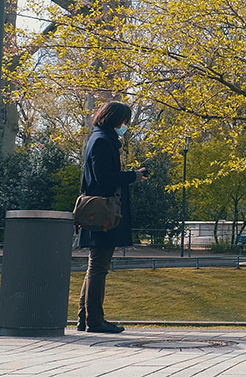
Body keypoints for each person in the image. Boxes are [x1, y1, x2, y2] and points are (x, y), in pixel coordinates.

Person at [76, 101, 147, 334]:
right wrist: (133, 176)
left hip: (100, 211)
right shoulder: (102, 142)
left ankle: (85, 318)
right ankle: (94, 320)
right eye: (124, 121)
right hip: (104, 213)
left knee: (94, 267)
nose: (125, 126)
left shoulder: (99, 139)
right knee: (99, 267)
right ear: (114, 119)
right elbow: (105, 178)